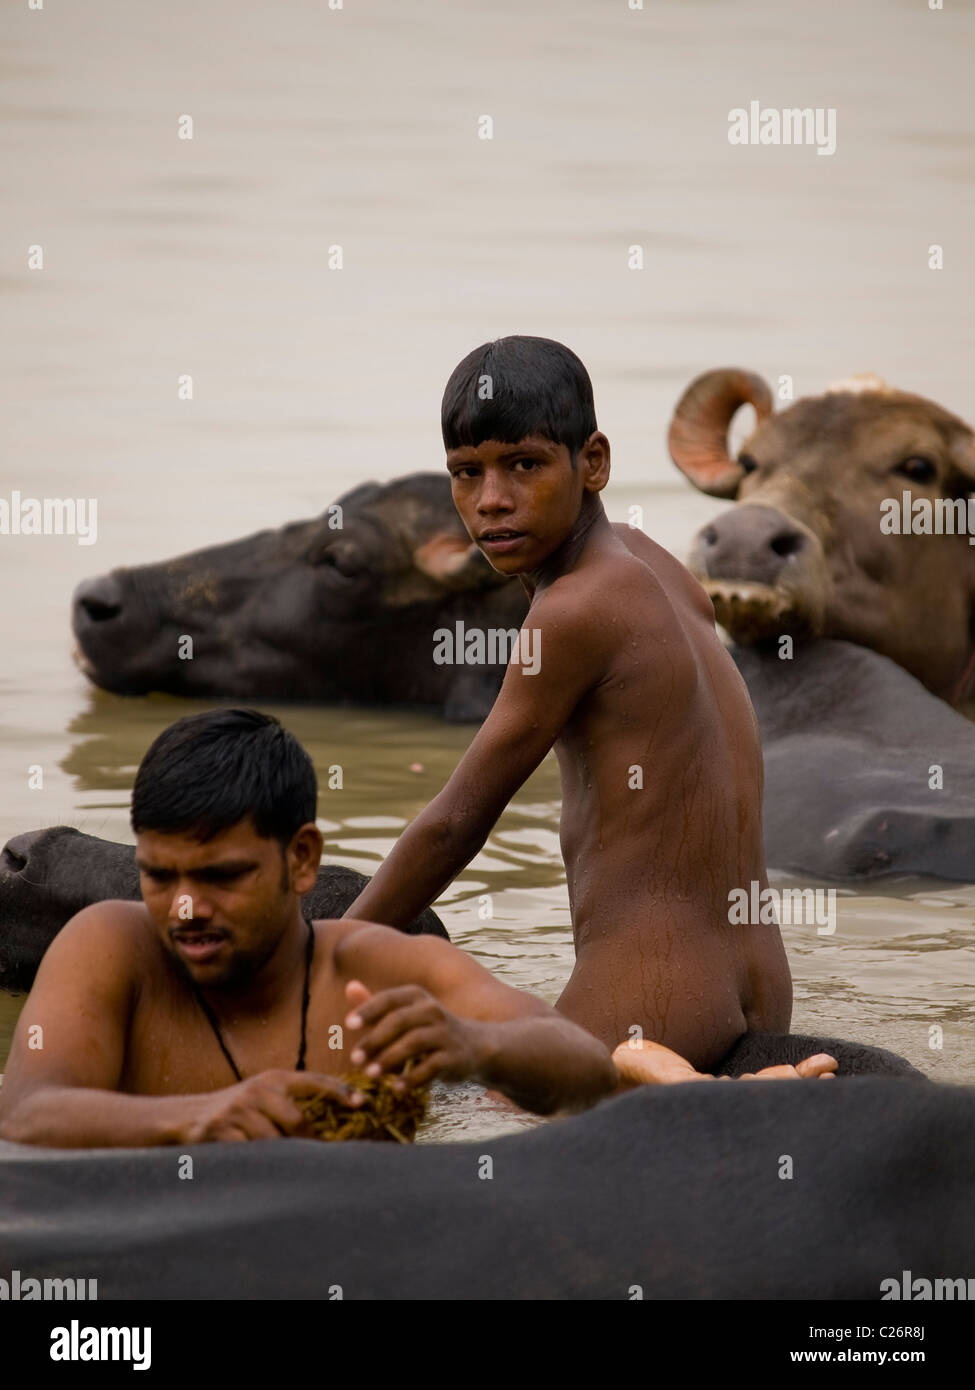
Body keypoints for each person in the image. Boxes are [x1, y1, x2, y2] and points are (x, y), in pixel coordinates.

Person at [344, 336, 794, 1072]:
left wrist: (324, 953)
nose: (491, 500)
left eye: (523, 465)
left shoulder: (573, 611)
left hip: (653, 996)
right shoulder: (654, 564)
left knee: (501, 1125)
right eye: (466, 473)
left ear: (592, 463)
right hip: (758, 986)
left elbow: (453, 824)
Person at [0, 710, 619, 1148]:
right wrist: (199, 1119)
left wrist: (475, 1046)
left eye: (222, 877)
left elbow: (587, 1070)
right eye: (160, 877)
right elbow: (26, 1113)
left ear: (301, 860)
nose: (186, 909)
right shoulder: (109, 948)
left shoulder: (374, 968)